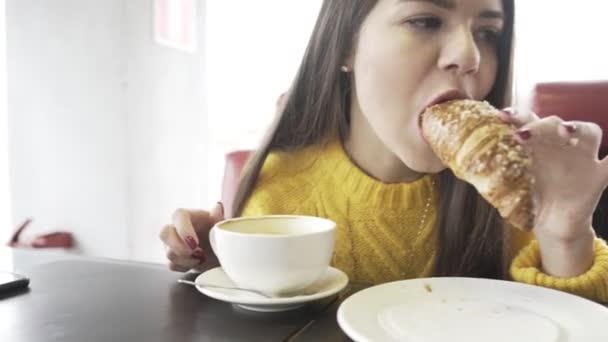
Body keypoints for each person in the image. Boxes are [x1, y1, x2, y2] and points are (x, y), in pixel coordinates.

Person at [160, 0, 608, 302]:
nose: (469, 56)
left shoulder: (506, 200)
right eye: (425, 20)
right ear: (345, 45)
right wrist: (228, 265)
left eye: (487, 32)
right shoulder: (280, 197)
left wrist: (566, 231)